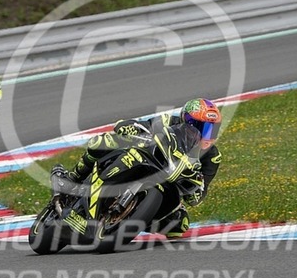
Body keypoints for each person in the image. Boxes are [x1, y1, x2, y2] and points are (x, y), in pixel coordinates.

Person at [64, 98, 223, 239]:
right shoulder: (169, 121)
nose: (207, 136)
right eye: (203, 128)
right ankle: (74, 177)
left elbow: (201, 191)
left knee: (180, 224)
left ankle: (134, 219)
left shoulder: (212, 157)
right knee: (100, 143)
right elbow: (145, 125)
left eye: (212, 129)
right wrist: (130, 127)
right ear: (187, 121)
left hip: (170, 184)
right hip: (147, 159)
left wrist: (195, 191)